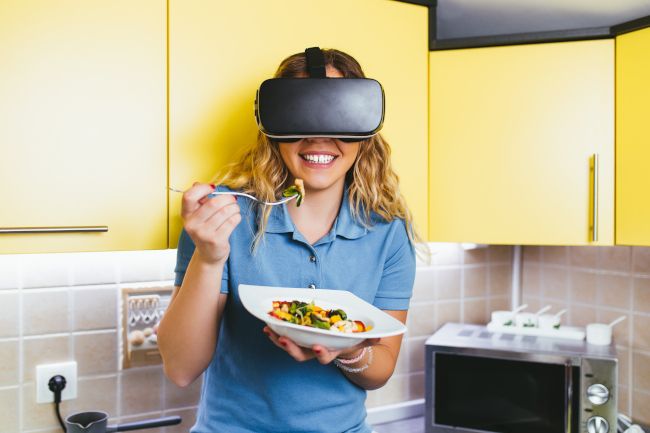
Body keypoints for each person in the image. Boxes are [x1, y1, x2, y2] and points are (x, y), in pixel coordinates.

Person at [157, 48, 425, 433]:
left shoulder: (387, 231)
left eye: (338, 116)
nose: (319, 138)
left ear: (364, 133)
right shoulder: (221, 217)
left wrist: (347, 350)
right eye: (302, 116)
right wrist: (210, 257)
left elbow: (380, 369)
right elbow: (180, 369)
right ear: (273, 129)